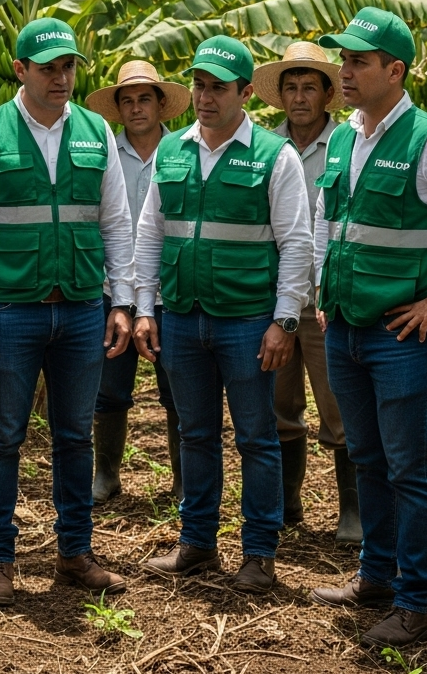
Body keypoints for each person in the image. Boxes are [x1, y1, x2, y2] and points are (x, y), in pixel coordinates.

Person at [310, 8, 427, 648]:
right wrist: (326, 290)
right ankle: (376, 577)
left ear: (395, 70)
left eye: (358, 61)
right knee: (369, 458)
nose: (345, 71)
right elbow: (337, 224)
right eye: (344, 59)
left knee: (410, 467)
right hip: (347, 328)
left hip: (404, 335)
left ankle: (417, 603)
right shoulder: (346, 136)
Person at [0, 18, 135, 607]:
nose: (62, 77)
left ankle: (74, 553)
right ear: (19, 70)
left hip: (79, 309)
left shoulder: (96, 132)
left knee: (75, 436)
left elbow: (117, 223)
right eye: (49, 67)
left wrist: (122, 301)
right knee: (3, 438)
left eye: (69, 66)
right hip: (10, 311)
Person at [133, 35, 312, 594]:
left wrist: (284, 321)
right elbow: (149, 234)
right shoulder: (172, 151)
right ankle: (198, 542)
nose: (206, 97)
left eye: (218, 87)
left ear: (243, 92)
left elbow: (297, 243)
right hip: (183, 316)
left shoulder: (273, 155)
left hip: (246, 320)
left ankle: (259, 553)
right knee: (195, 433)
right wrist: (144, 309)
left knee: (257, 437)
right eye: (200, 86)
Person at [251, 40, 360, 542]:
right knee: (278, 404)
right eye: (291, 88)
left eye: (308, 88)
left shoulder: (347, 145)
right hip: (270, 302)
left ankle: (353, 511)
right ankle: (286, 503)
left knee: (338, 406)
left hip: (321, 304)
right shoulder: (262, 148)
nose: (299, 98)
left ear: (326, 94)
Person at [84, 61, 192, 504]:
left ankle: (184, 480)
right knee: (109, 389)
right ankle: (105, 474)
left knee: (178, 391)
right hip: (113, 287)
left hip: (170, 288)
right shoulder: (105, 151)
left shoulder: (183, 150)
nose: (136, 108)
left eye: (144, 98)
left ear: (161, 103)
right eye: (126, 101)